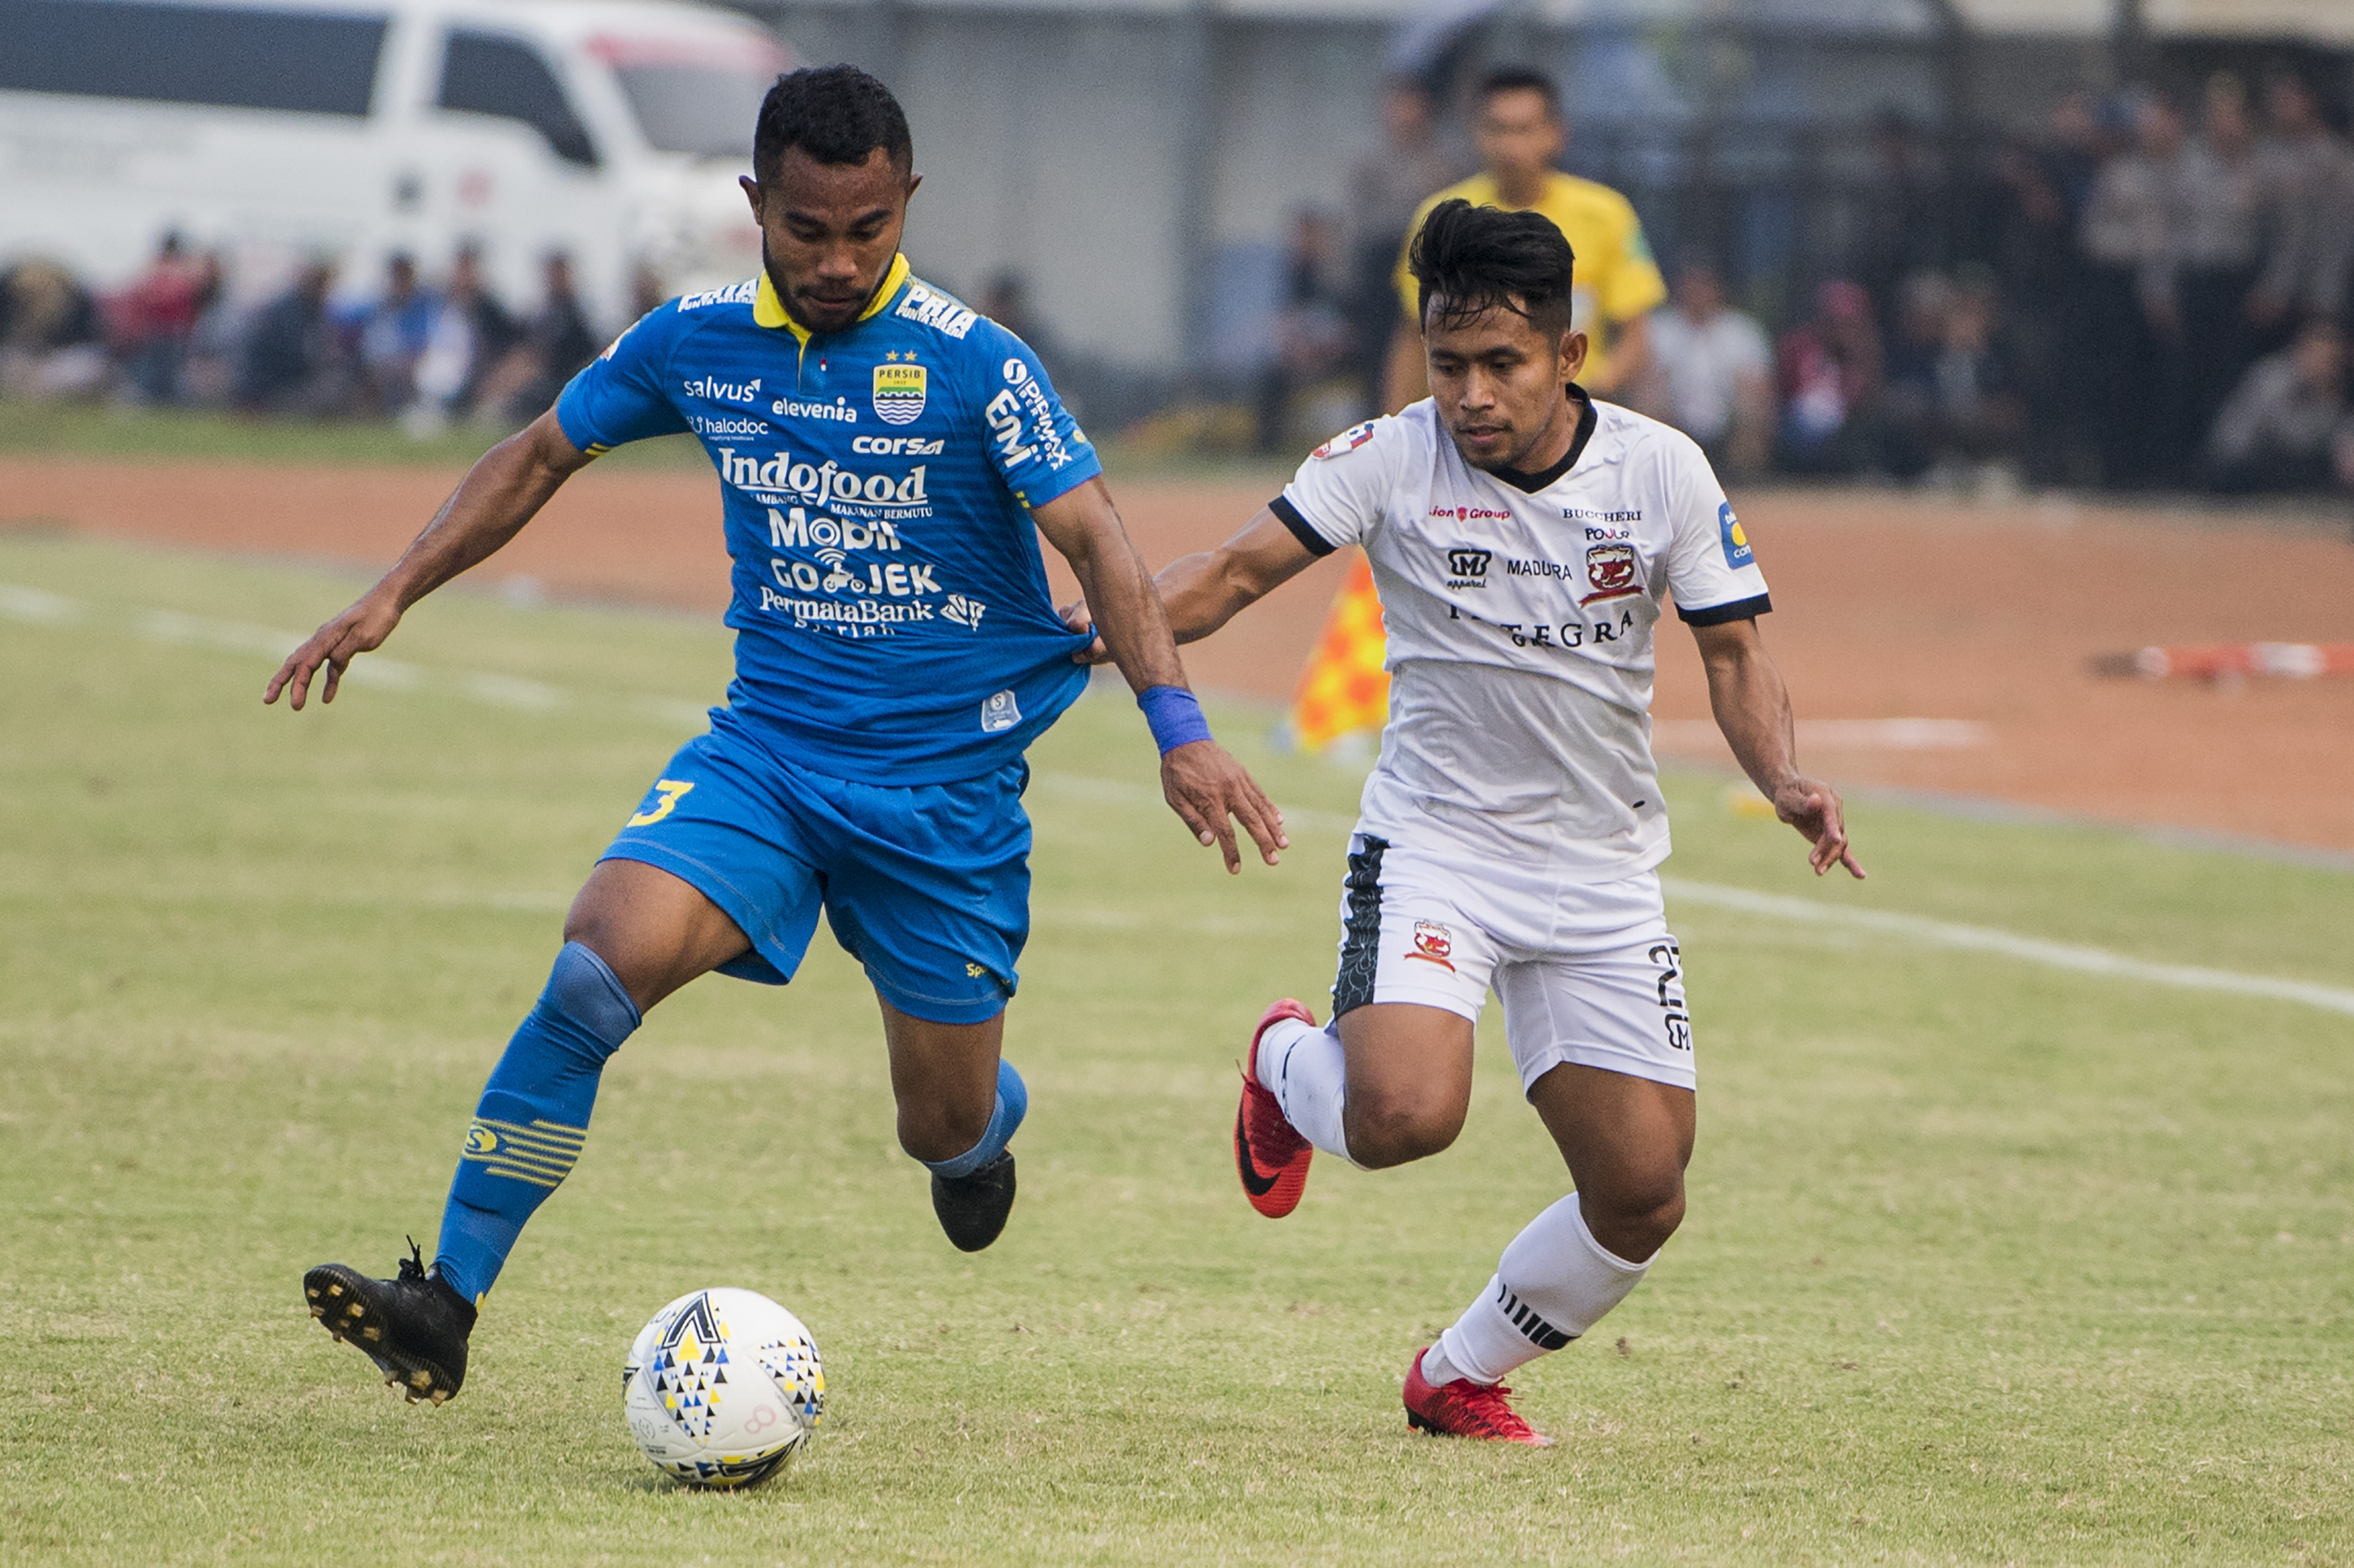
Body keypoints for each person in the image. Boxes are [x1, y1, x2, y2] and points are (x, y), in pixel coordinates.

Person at [272, 65, 1286, 1406]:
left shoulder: (979, 362)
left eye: (866, 228)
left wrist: (1180, 729)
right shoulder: (695, 338)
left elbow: (1095, 535)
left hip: (943, 801)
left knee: (939, 1119)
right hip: (766, 758)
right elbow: (533, 453)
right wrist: (391, 588)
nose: (836, 257)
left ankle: (984, 1130)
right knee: (595, 968)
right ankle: (444, 1300)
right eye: (807, 228)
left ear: (905, 203)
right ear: (755, 203)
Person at [1068, 199, 1861, 1444]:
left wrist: (1781, 777)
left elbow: (1732, 653)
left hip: (1602, 869)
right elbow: (1223, 578)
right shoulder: (1389, 455)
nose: (1473, 394)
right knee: (1399, 1121)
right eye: (1449, 365)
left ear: (1567, 357)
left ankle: (1455, 1371)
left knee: (1642, 1193)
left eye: (1501, 364)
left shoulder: (1659, 470)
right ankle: (1284, 1059)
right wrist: (1090, 636)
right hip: (1435, 848)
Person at [1383, 66, 1664, 414]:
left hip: (1573, 415)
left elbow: (1636, 336)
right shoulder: (1442, 218)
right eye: (1498, 130)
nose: (1511, 146)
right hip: (1471, 415)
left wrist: (1586, 394)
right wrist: (1396, 425)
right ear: (1479, 134)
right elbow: (1414, 336)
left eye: (1524, 130)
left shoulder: (1607, 214)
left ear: (1555, 134)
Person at [1345, 77, 1461, 414]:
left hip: (1427, 261)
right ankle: (1377, 417)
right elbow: (1355, 223)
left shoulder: (1442, 161)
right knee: (1378, 351)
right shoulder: (1370, 162)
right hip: (1379, 265)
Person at [1643, 254, 1771, 475]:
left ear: (1718, 289)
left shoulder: (1742, 332)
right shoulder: (1660, 330)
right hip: (1675, 423)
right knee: (1649, 401)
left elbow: (1759, 390)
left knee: (1752, 412)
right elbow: (1648, 386)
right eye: (1691, 284)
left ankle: (1747, 486)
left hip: (1726, 424)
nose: (1697, 292)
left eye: (1704, 285)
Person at [2204, 316, 2351, 494]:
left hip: (2289, 466)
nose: (2329, 366)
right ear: (2303, 351)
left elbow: (2339, 447)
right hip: (2239, 462)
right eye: (2323, 357)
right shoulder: (2272, 378)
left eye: (2333, 360)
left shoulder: (2335, 390)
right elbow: (2274, 436)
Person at [1774, 278, 1883, 475]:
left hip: (1843, 436)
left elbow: (1862, 404)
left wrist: (1855, 358)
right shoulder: (1799, 346)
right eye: (1834, 321)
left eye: (1849, 322)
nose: (1841, 328)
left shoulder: (1862, 354)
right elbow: (1783, 394)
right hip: (1797, 430)